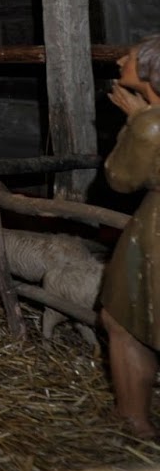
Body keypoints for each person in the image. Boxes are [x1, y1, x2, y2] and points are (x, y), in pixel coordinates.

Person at [101, 35, 160, 438]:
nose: (122, 59)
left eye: (132, 56)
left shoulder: (151, 124)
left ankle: (133, 418)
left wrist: (135, 121)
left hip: (155, 233)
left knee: (123, 321)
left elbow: (120, 178)